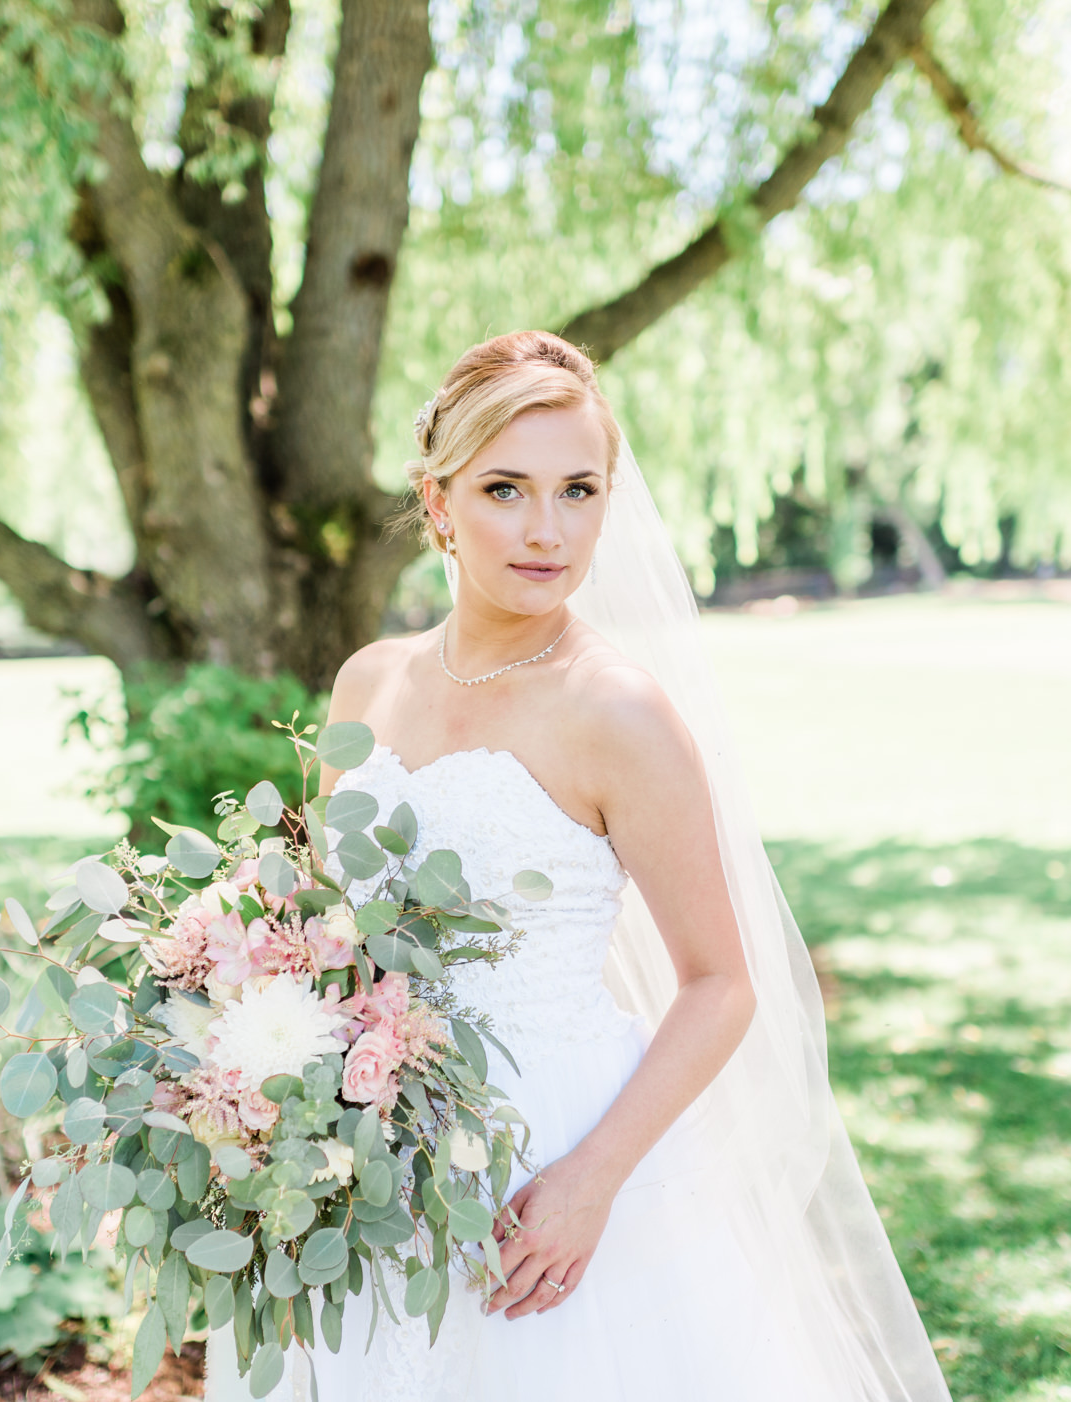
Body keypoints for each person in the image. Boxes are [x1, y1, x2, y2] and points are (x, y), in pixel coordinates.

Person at [210, 331, 950, 1401]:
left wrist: (590, 1182)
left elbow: (721, 984)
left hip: (551, 1146)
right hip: (367, 1153)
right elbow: (336, 931)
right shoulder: (366, 684)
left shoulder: (617, 709)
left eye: (580, 490)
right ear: (437, 502)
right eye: (506, 488)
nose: (548, 529)